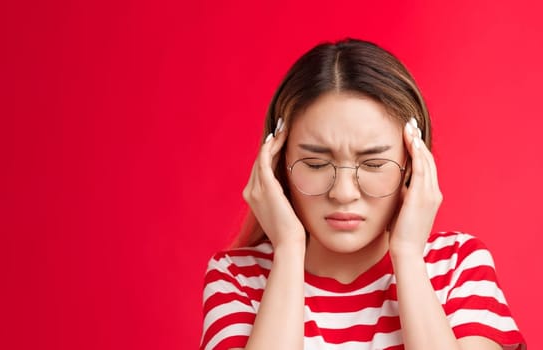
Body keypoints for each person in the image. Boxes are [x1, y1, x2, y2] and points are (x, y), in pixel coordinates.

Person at [200, 38, 525, 350]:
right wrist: (288, 249)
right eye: (315, 164)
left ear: (412, 164)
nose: (343, 193)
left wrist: (409, 256)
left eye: (373, 163)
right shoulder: (238, 277)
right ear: (278, 164)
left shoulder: (457, 266)